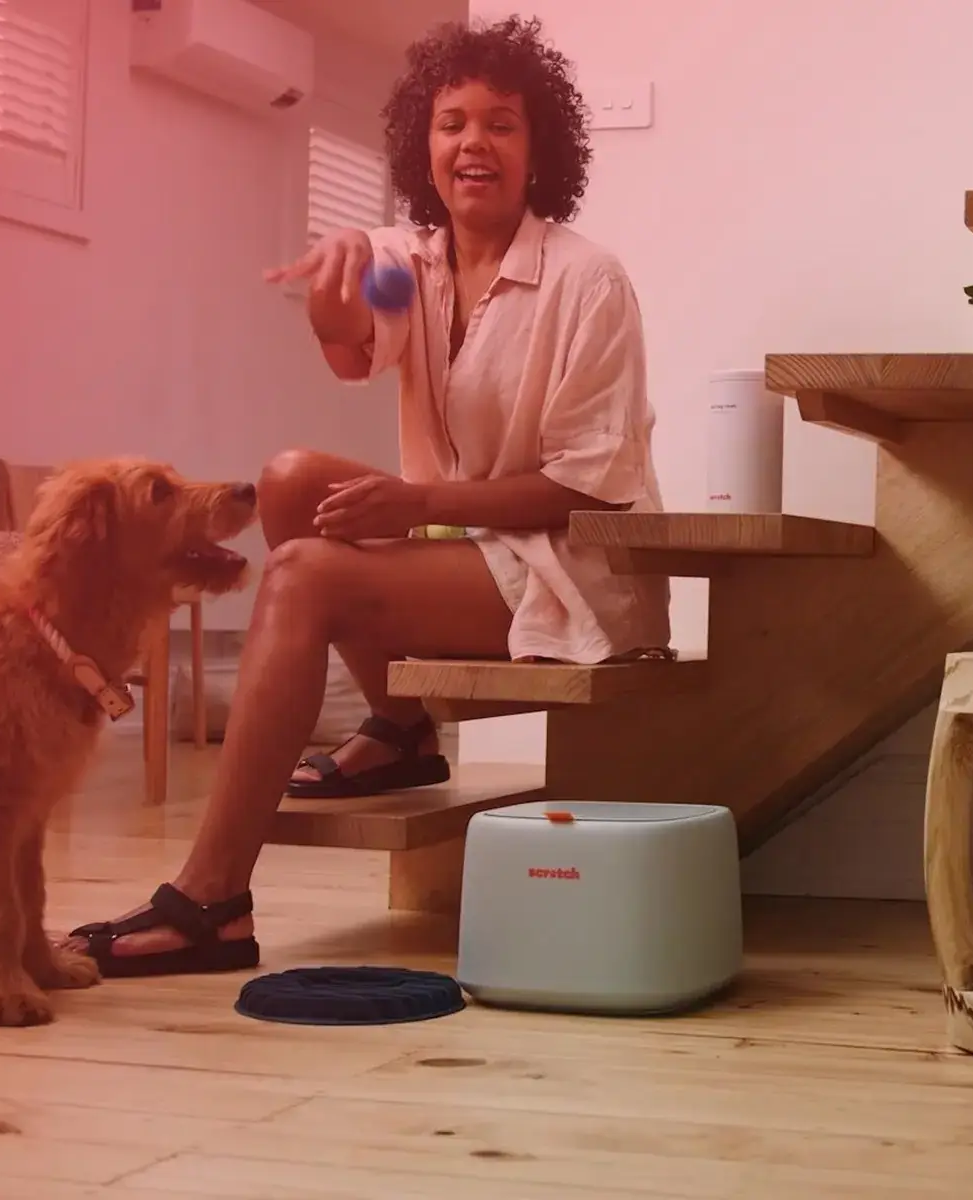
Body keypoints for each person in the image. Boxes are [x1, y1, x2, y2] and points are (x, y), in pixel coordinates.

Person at [63, 16, 670, 977]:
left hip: (575, 567)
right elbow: (354, 344)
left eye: (502, 124)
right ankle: (397, 725)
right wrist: (332, 288)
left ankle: (211, 898)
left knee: (303, 577)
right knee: (290, 480)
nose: (474, 143)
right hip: (472, 542)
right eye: (452, 122)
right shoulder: (411, 260)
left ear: (539, 146)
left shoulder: (589, 281)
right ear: (421, 144)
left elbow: (583, 487)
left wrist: (414, 499)